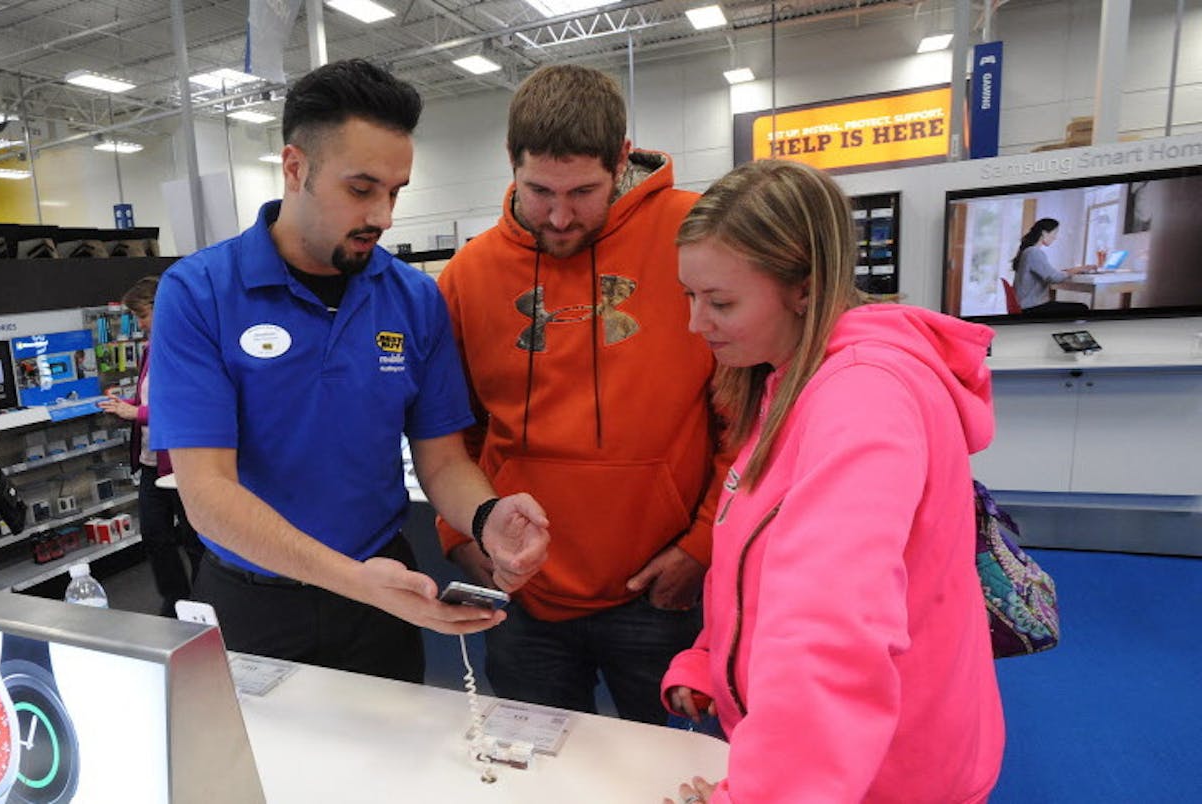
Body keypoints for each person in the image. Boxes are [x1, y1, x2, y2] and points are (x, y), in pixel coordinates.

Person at [147, 59, 550, 684]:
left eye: (395, 192)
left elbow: (442, 461)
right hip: (255, 600)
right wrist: (353, 580)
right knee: (258, 779)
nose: (384, 216)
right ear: (295, 167)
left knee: (387, 775)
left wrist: (484, 516)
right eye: (361, 189)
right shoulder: (200, 294)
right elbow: (208, 496)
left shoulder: (414, 299)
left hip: (382, 601)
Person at [660, 160, 1004, 802]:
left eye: (721, 301)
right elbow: (761, 565)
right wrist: (712, 660)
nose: (695, 322)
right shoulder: (789, 381)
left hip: (881, 773)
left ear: (804, 288)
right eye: (690, 296)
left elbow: (832, 628)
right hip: (836, 762)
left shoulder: (861, 396)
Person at [435, 64, 729, 723]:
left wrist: (703, 544)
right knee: (540, 778)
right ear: (511, 163)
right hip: (523, 597)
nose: (561, 216)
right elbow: (451, 433)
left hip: (658, 589)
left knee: (671, 775)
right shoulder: (468, 276)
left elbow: (741, 413)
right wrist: (463, 534)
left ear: (622, 159)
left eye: (583, 192)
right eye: (539, 191)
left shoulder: (695, 236)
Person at [98, 276, 204, 617]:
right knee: (156, 536)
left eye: (142, 314)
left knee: (195, 539)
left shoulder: (189, 348)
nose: (140, 323)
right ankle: (175, 600)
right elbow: (149, 398)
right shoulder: (149, 350)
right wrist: (125, 405)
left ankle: (205, 601)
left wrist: (137, 412)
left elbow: (187, 407)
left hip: (180, 465)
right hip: (149, 461)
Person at [1012, 217, 1089, 312]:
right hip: (1032, 308)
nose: (1055, 237)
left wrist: (1068, 271)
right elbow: (1054, 278)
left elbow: (1050, 274)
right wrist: (1077, 270)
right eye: (1055, 233)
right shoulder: (1033, 252)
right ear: (1044, 233)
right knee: (1082, 308)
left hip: (1027, 306)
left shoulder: (1028, 251)